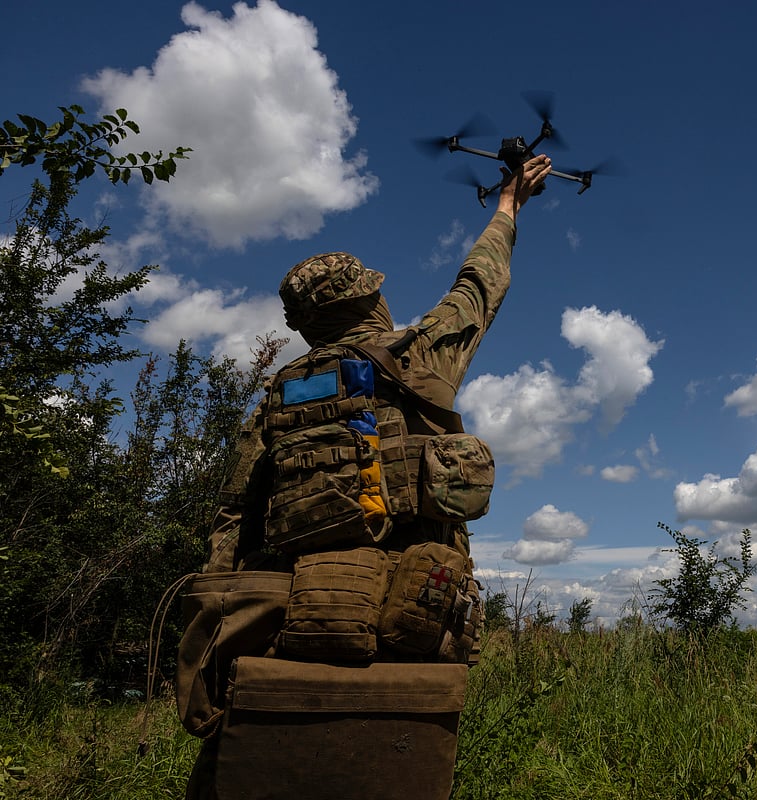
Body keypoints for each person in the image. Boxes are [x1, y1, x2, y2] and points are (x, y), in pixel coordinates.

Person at [182, 153, 552, 800]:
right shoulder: (419, 358)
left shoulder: (277, 397)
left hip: (296, 617)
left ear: (303, 326)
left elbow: (231, 523)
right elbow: (479, 286)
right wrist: (508, 208)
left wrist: (223, 632)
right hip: (411, 614)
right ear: (371, 299)